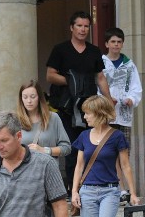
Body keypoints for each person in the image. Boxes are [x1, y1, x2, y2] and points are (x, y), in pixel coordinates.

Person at [70, 95, 140, 217]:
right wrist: (74, 191)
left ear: (99, 114)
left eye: (87, 113)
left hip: (110, 189)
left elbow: (125, 166)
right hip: (88, 191)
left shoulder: (117, 136)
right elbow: (79, 165)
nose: (84, 117)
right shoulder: (84, 137)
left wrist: (132, 193)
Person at [46, 11, 112, 178]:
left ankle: (90, 182)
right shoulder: (60, 49)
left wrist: (109, 100)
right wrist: (72, 81)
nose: (83, 30)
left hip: (89, 107)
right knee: (71, 148)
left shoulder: (94, 51)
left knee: (91, 145)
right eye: (79, 26)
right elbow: (50, 75)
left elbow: (100, 77)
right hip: (67, 107)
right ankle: (72, 189)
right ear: (72, 27)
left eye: (86, 26)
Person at [15, 79, 70, 169]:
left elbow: (66, 148)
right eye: (25, 97)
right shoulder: (15, 120)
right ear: (21, 99)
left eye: (33, 97)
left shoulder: (53, 118)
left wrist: (44, 150)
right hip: (24, 174)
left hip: (48, 173)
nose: (29, 101)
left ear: (39, 97)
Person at [101, 27, 143, 140]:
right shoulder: (101, 63)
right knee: (107, 149)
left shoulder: (129, 65)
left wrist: (132, 99)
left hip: (124, 114)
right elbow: (96, 86)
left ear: (122, 44)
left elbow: (136, 87)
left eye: (119, 42)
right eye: (113, 42)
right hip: (106, 114)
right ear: (106, 44)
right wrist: (105, 99)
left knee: (124, 148)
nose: (116, 44)